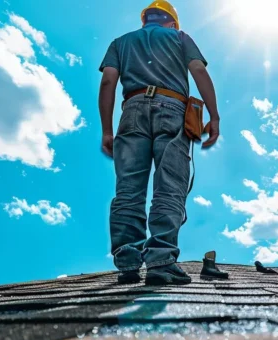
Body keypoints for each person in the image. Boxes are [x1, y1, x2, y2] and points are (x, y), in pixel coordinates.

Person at [98, 0, 220, 286]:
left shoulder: (121, 42)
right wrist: (214, 116)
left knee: (128, 190)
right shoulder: (180, 37)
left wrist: (107, 130)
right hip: (172, 108)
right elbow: (199, 71)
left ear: (145, 21)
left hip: (132, 110)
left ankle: (128, 263)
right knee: (169, 186)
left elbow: (108, 83)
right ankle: (161, 261)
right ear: (171, 22)